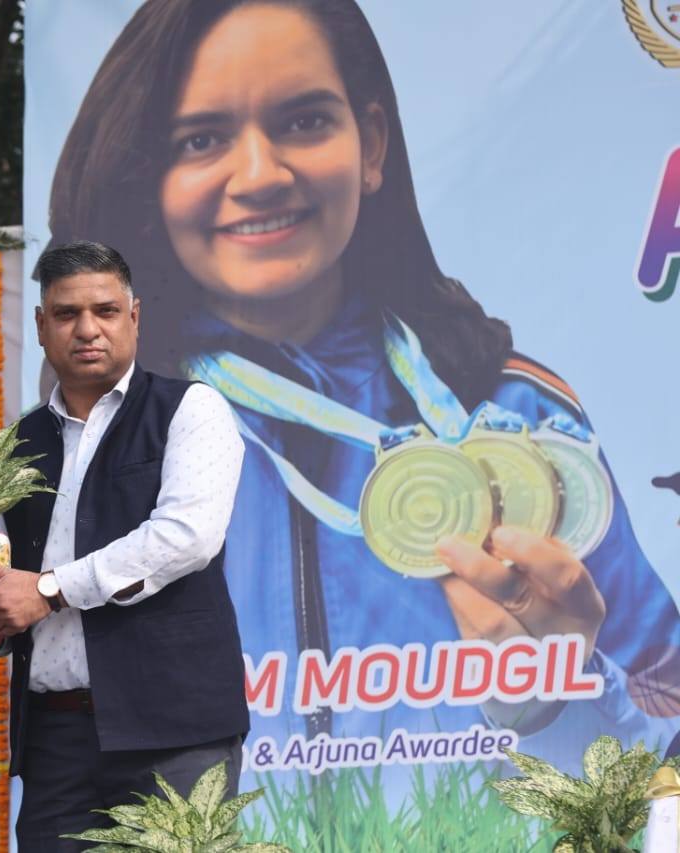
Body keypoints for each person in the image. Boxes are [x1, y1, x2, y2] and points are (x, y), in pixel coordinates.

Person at [44, 0, 680, 798]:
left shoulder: (517, 415)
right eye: (201, 140)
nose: (260, 175)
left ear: (370, 144)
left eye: (304, 121)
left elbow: (668, 730)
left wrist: (554, 703)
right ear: (151, 181)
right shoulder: (113, 439)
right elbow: (69, 733)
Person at [0, 241, 248, 852]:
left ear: (134, 317)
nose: (87, 329)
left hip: (174, 731)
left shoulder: (190, 409)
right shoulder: (15, 442)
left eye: (106, 311)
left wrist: (49, 589)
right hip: (56, 736)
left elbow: (187, 535)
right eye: (67, 314)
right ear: (41, 326)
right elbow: (1, 570)